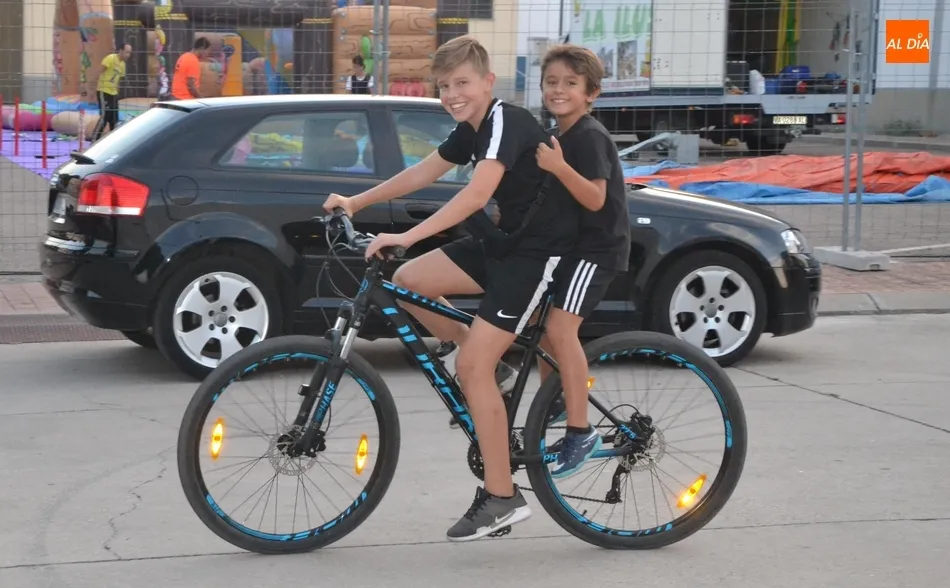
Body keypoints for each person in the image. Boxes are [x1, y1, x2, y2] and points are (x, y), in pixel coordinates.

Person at [322, 35, 581, 541]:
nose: (452, 95)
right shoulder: (471, 127)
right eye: (443, 87)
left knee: (469, 369)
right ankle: (497, 366)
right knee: (407, 279)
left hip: (538, 256)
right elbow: (426, 170)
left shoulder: (506, 119)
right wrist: (356, 201)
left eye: (461, 83)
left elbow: (477, 192)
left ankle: (502, 497)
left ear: (487, 82)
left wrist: (406, 234)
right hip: (504, 245)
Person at [531, 44, 631, 478]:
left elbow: (594, 197)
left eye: (570, 83)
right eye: (552, 82)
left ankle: (580, 430)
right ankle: (556, 396)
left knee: (559, 327)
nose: (559, 90)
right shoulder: (561, 135)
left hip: (597, 249)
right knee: (538, 318)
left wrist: (556, 167)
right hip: (571, 248)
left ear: (592, 93)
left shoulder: (588, 136)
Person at [90, 43, 132, 142]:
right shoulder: (110, 58)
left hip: (113, 93)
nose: (128, 55)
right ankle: (94, 140)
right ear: (120, 50)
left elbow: (118, 79)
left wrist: (117, 90)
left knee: (114, 119)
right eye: (126, 52)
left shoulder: (123, 65)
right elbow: (99, 71)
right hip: (104, 91)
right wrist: (91, 85)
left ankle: (113, 143)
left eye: (130, 53)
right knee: (104, 117)